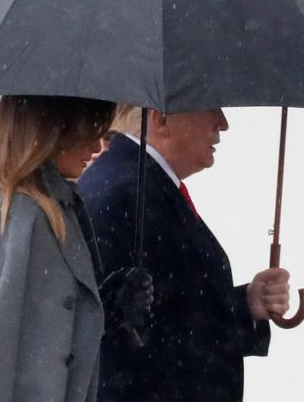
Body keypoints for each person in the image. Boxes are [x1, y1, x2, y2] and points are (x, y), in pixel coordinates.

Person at [78, 106, 291, 402]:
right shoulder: (127, 193)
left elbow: (172, 308)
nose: (223, 123)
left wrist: (245, 305)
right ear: (161, 118)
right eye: (210, 107)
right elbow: (120, 336)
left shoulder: (141, 183)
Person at [0, 96, 151, 402]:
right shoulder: (12, 218)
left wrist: (104, 309)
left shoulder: (55, 209)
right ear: (52, 130)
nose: (97, 147)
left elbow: (46, 327)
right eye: (89, 130)